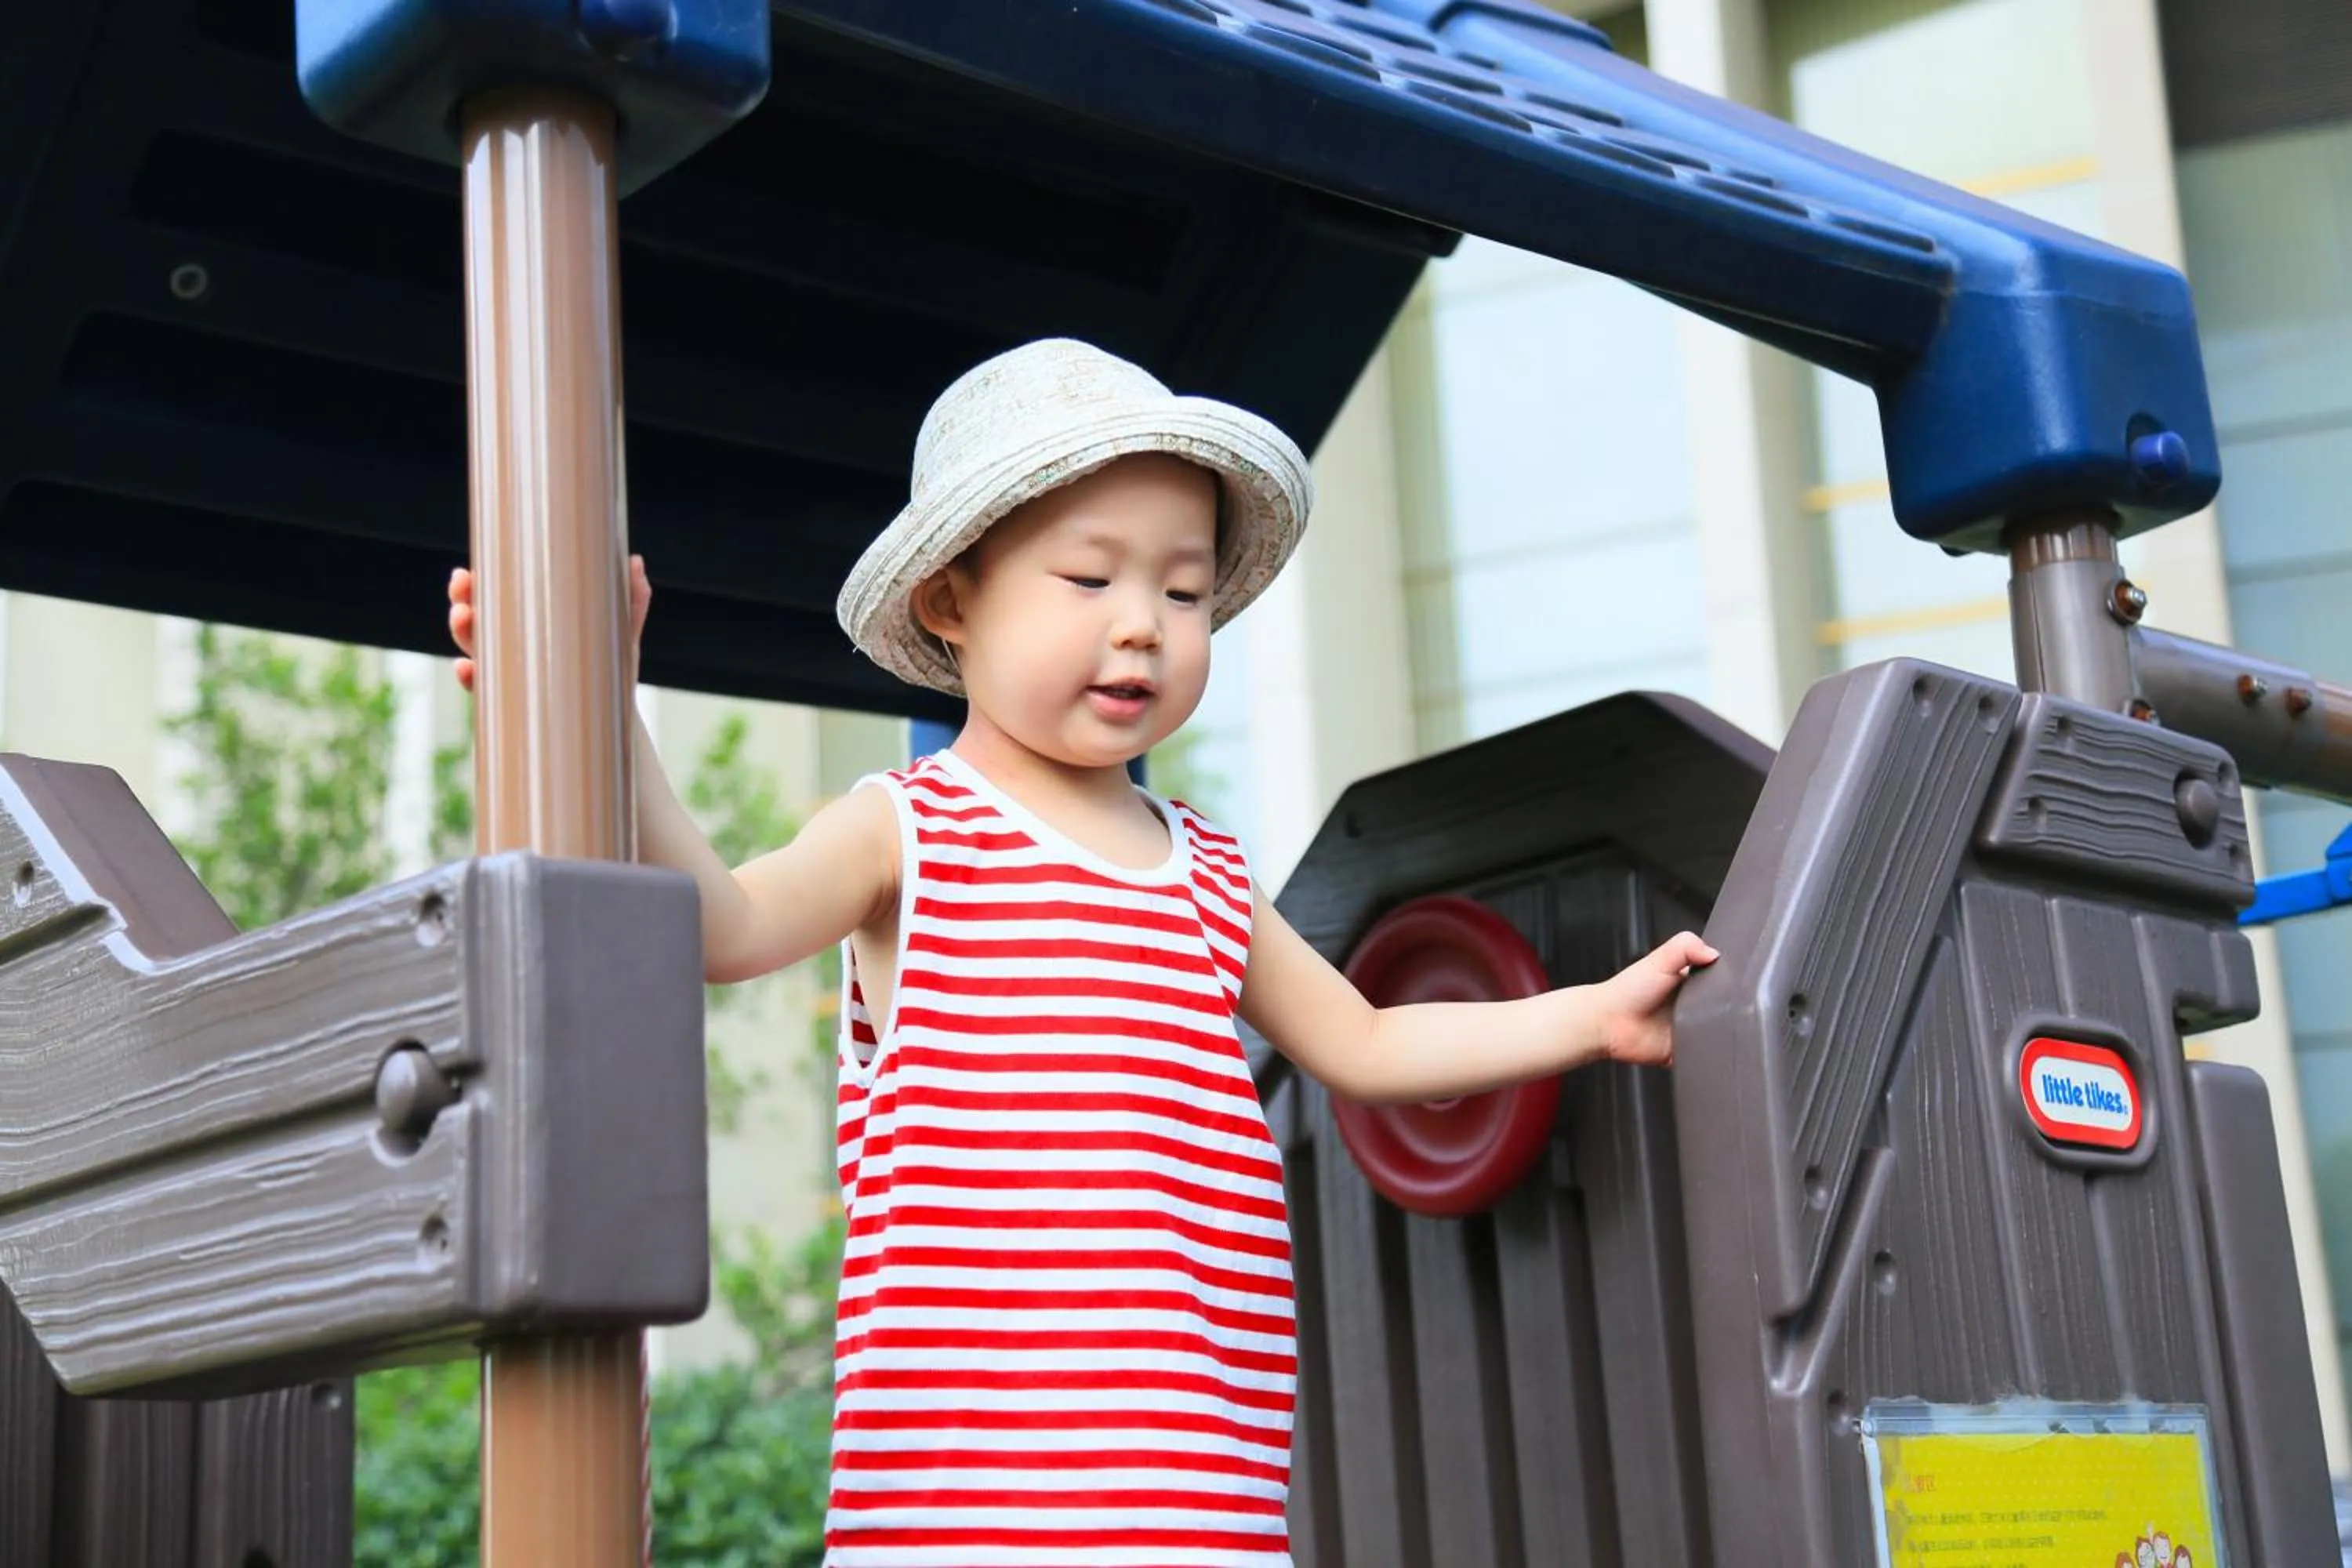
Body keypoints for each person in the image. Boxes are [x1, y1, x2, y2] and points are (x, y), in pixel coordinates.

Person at [448, 338, 1717, 1566]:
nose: (1143, 629)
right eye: (1089, 580)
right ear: (952, 599)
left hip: (1198, 1509)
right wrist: (605, 705)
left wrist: (1594, 1014)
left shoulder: (1209, 871)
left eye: (1182, 591)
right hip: (964, 1513)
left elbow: (1376, 1041)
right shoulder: (913, 830)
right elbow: (722, 926)